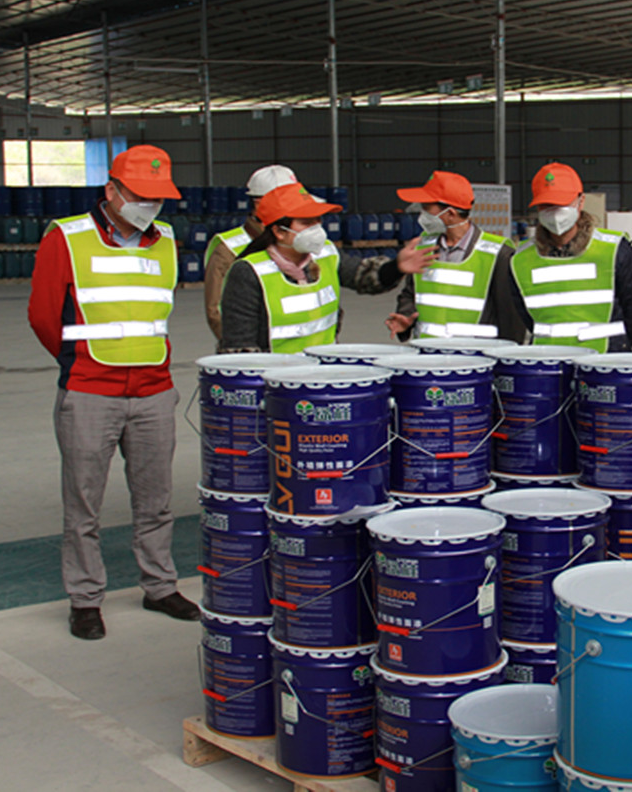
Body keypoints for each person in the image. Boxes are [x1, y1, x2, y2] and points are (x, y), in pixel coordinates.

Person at [28, 144, 200, 640]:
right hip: (90, 391)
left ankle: (159, 586)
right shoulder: (66, 238)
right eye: (140, 196)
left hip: (154, 391)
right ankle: (85, 598)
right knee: (84, 504)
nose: (150, 206)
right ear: (112, 191)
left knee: (156, 500)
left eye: (158, 197)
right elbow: (43, 316)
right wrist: (79, 363)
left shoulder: (165, 240)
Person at [217, 181, 436, 352]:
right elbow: (240, 348)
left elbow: (364, 277)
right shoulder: (249, 272)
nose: (317, 228)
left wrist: (396, 267)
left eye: (318, 220)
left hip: (322, 376)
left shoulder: (325, 255)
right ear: (279, 232)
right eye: (306, 222)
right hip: (276, 383)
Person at [508, 163, 632, 352]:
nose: (554, 212)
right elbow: (525, 315)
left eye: (561, 204)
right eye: (547, 205)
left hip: (604, 359)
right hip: (547, 360)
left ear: (580, 202)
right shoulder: (520, 259)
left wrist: (618, 346)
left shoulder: (615, 250)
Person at [385, 170, 526, 343]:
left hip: (475, 356)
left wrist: (508, 354)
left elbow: (511, 317)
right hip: (427, 353)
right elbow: (410, 293)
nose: (422, 214)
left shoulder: (498, 253)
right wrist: (405, 316)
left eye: (427, 208)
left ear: (450, 214)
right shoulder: (422, 246)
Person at [203, 164, 296, 340]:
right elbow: (216, 311)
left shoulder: (299, 239)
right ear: (259, 203)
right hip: (257, 352)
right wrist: (243, 349)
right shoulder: (229, 248)